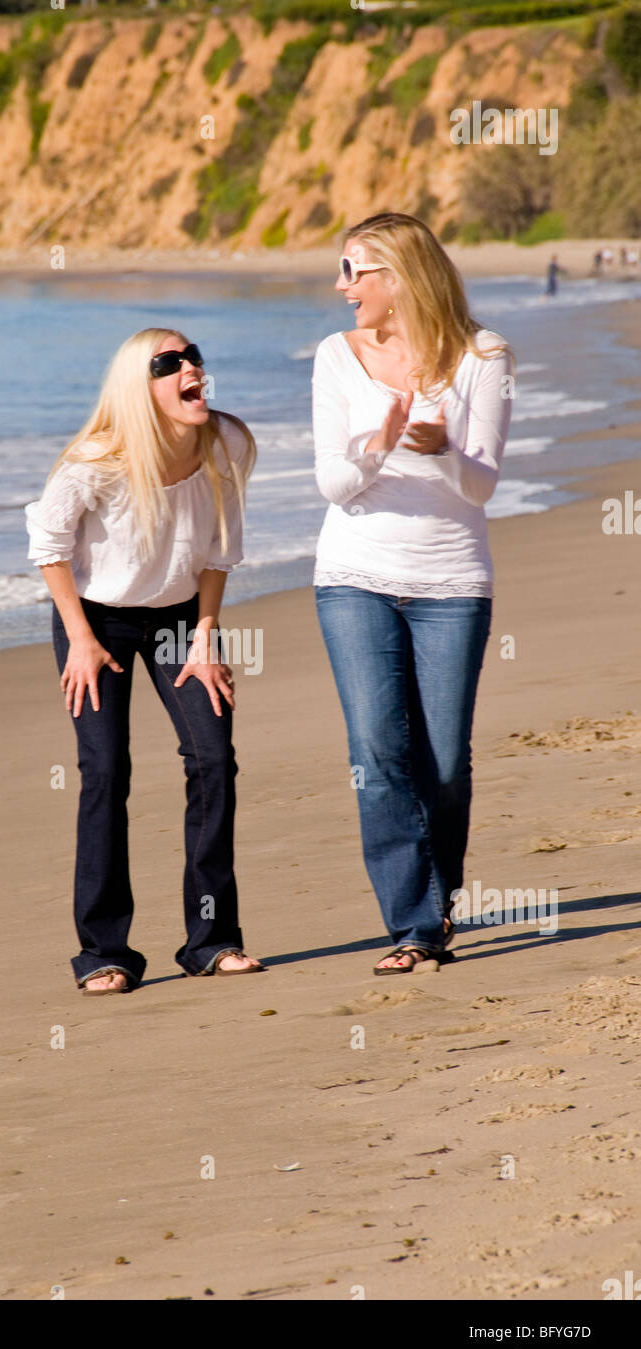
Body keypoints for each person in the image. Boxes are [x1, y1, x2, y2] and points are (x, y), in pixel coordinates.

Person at [25, 328, 263, 993]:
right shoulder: (95, 459)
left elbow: (219, 550)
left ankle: (212, 941)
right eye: (169, 364)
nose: (192, 369)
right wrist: (78, 637)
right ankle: (104, 952)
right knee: (105, 769)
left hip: (181, 618)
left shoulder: (226, 444)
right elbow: (47, 545)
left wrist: (205, 638)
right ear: (140, 385)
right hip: (95, 621)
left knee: (214, 759)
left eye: (194, 358)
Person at [311, 212, 513, 974]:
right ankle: (414, 925)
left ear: (397, 276)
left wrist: (443, 450)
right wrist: (378, 444)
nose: (341, 287)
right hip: (353, 577)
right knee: (376, 752)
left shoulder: (481, 355)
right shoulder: (336, 356)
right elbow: (333, 482)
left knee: (444, 763)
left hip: (451, 581)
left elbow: (481, 485)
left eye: (352, 271)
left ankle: (437, 894)